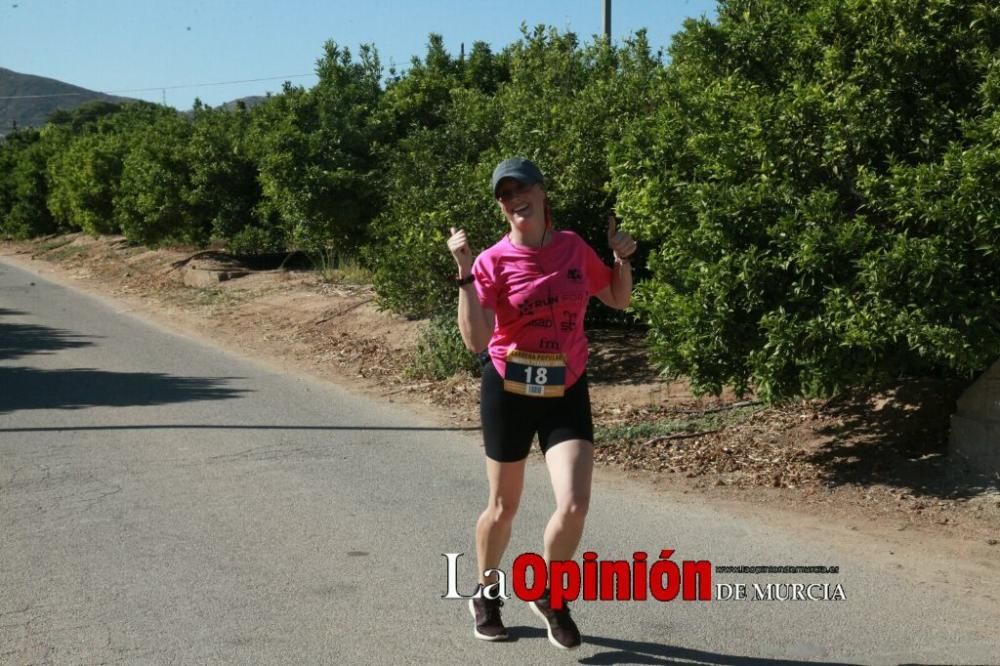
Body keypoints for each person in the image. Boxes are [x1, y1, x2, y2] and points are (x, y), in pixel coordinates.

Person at [446, 157, 637, 650]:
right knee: (504, 506)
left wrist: (621, 260)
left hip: (565, 387)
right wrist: (466, 276)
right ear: (501, 206)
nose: (514, 199)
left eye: (521, 187)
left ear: (542, 191)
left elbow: (617, 299)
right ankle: (487, 593)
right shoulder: (491, 261)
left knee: (574, 504)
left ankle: (551, 594)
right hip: (509, 388)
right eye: (504, 194)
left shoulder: (572, 248)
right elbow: (475, 340)